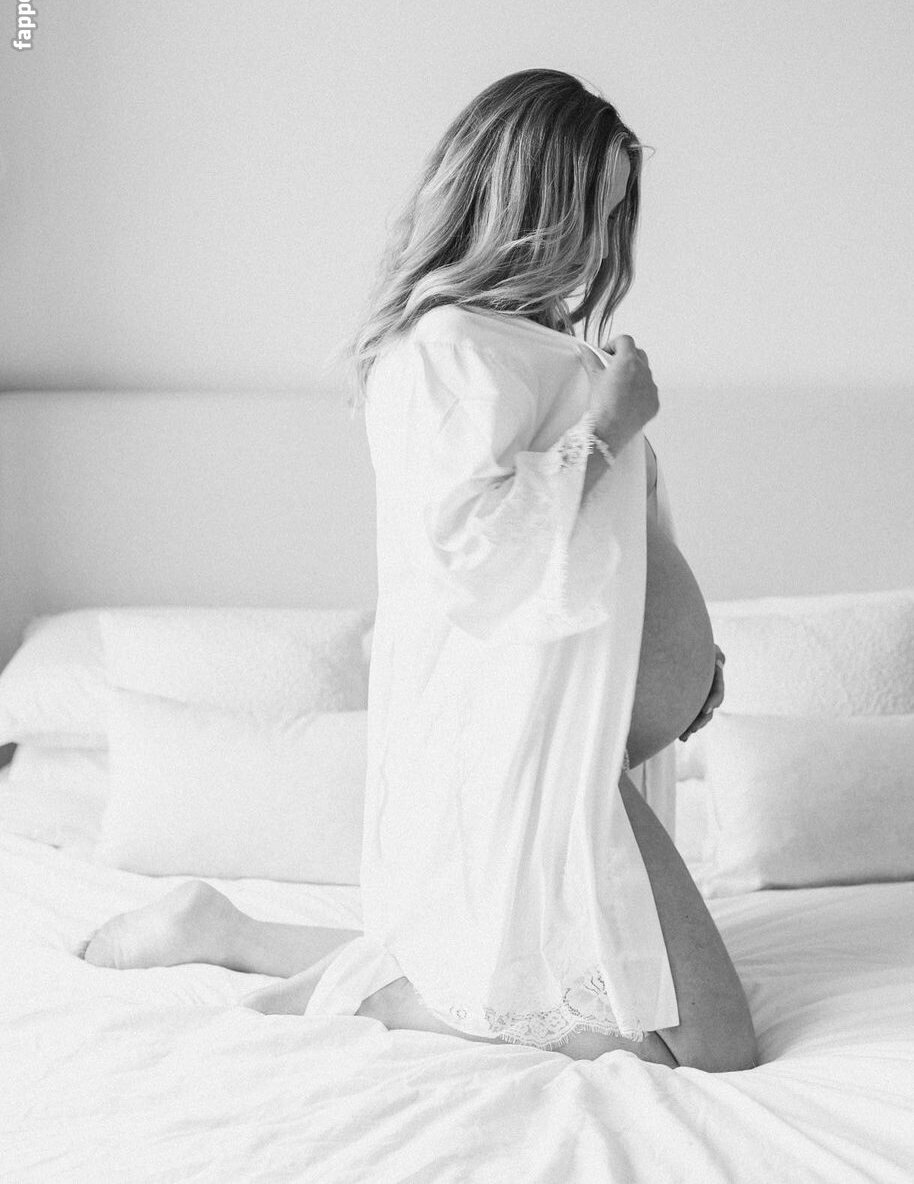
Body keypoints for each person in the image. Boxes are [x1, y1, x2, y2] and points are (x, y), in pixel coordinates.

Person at [80, 69, 757, 1072]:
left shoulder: (525, 344)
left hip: (587, 746)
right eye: (590, 211)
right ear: (525, 202)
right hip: (541, 758)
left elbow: (612, 545)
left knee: (527, 978)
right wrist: (609, 427)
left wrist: (687, 670)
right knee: (714, 1049)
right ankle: (362, 990)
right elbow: (473, 551)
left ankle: (233, 931)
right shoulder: (443, 349)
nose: (600, 244)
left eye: (616, 216)